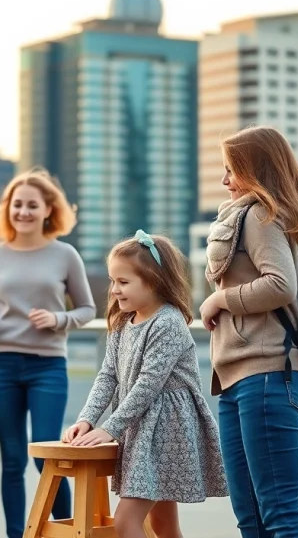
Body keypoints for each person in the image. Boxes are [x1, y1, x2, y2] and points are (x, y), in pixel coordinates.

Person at [200, 125, 298, 538]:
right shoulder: (282, 215)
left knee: (277, 515)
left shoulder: (261, 215)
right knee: (252, 518)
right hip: (245, 377)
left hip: (270, 372)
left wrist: (221, 300)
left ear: (256, 169)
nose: (224, 181)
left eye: (231, 170)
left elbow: (280, 285)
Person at [64, 230, 229, 538]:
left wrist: (109, 428)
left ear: (153, 281)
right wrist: (87, 419)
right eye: (113, 281)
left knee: (127, 521)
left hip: (167, 430)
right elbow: (107, 376)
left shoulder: (168, 322)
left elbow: (147, 386)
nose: (114, 290)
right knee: (163, 526)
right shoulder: (124, 323)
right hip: (141, 429)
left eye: (123, 282)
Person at [0, 168, 96, 538]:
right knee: (11, 460)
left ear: (47, 210)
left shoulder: (65, 254)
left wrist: (58, 318)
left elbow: (88, 309)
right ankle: (16, 534)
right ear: (8, 209)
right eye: (16, 204)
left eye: (31, 205)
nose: (23, 211)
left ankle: (68, 531)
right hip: (1, 366)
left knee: (48, 457)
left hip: (48, 367)